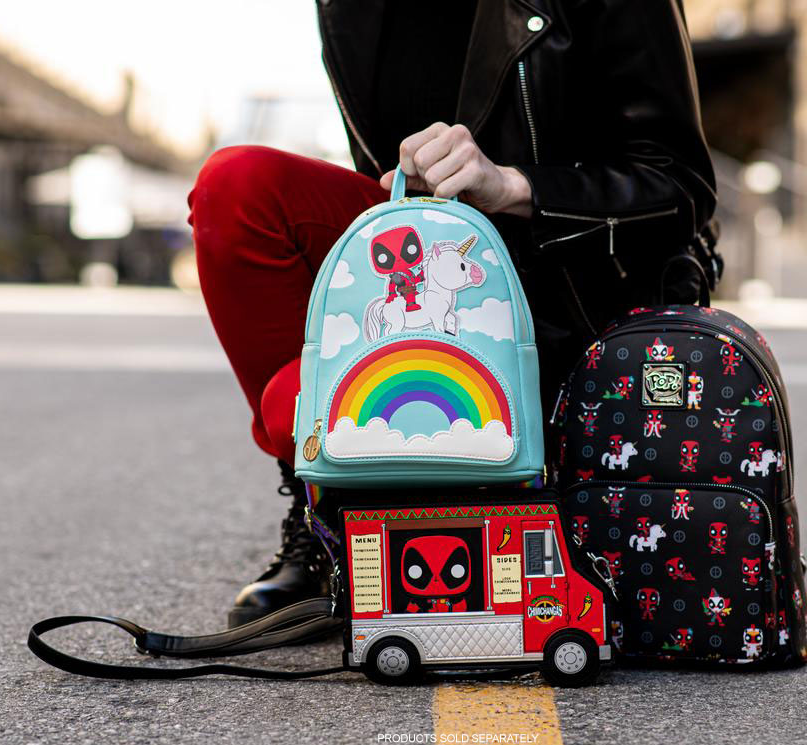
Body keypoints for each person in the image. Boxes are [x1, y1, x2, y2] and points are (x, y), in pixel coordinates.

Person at [188, 0, 718, 628]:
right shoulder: (346, 9)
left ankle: (494, 482)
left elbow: (681, 186)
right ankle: (327, 505)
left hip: (562, 295)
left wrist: (514, 186)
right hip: (425, 279)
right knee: (237, 186)